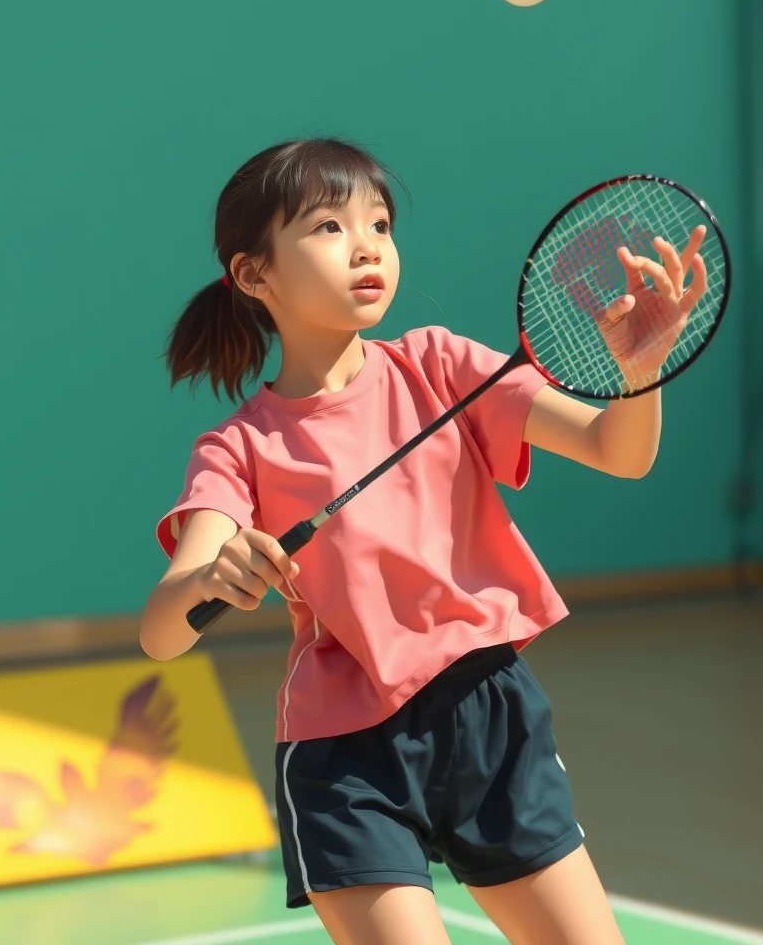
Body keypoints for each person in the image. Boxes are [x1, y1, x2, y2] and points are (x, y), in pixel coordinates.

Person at [140, 138, 705, 945]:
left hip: (492, 714)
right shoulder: (239, 448)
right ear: (254, 274)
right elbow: (161, 634)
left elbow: (620, 452)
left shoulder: (441, 367)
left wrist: (640, 371)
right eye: (329, 228)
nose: (367, 244)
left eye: (379, 222)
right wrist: (209, 577)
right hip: (347, 754)